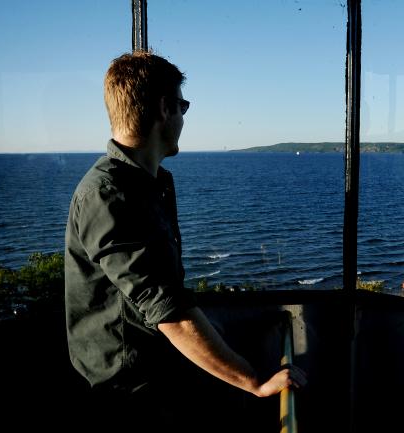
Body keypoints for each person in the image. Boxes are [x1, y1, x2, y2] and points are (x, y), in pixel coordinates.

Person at [64, 51, 305, 427]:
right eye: (182, 106)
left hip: (157, 376)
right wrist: (254, 381)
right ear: (164, 108)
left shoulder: (152, 183)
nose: (183, 118)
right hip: (127, 393)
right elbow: (168, 311)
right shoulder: (108, 194)